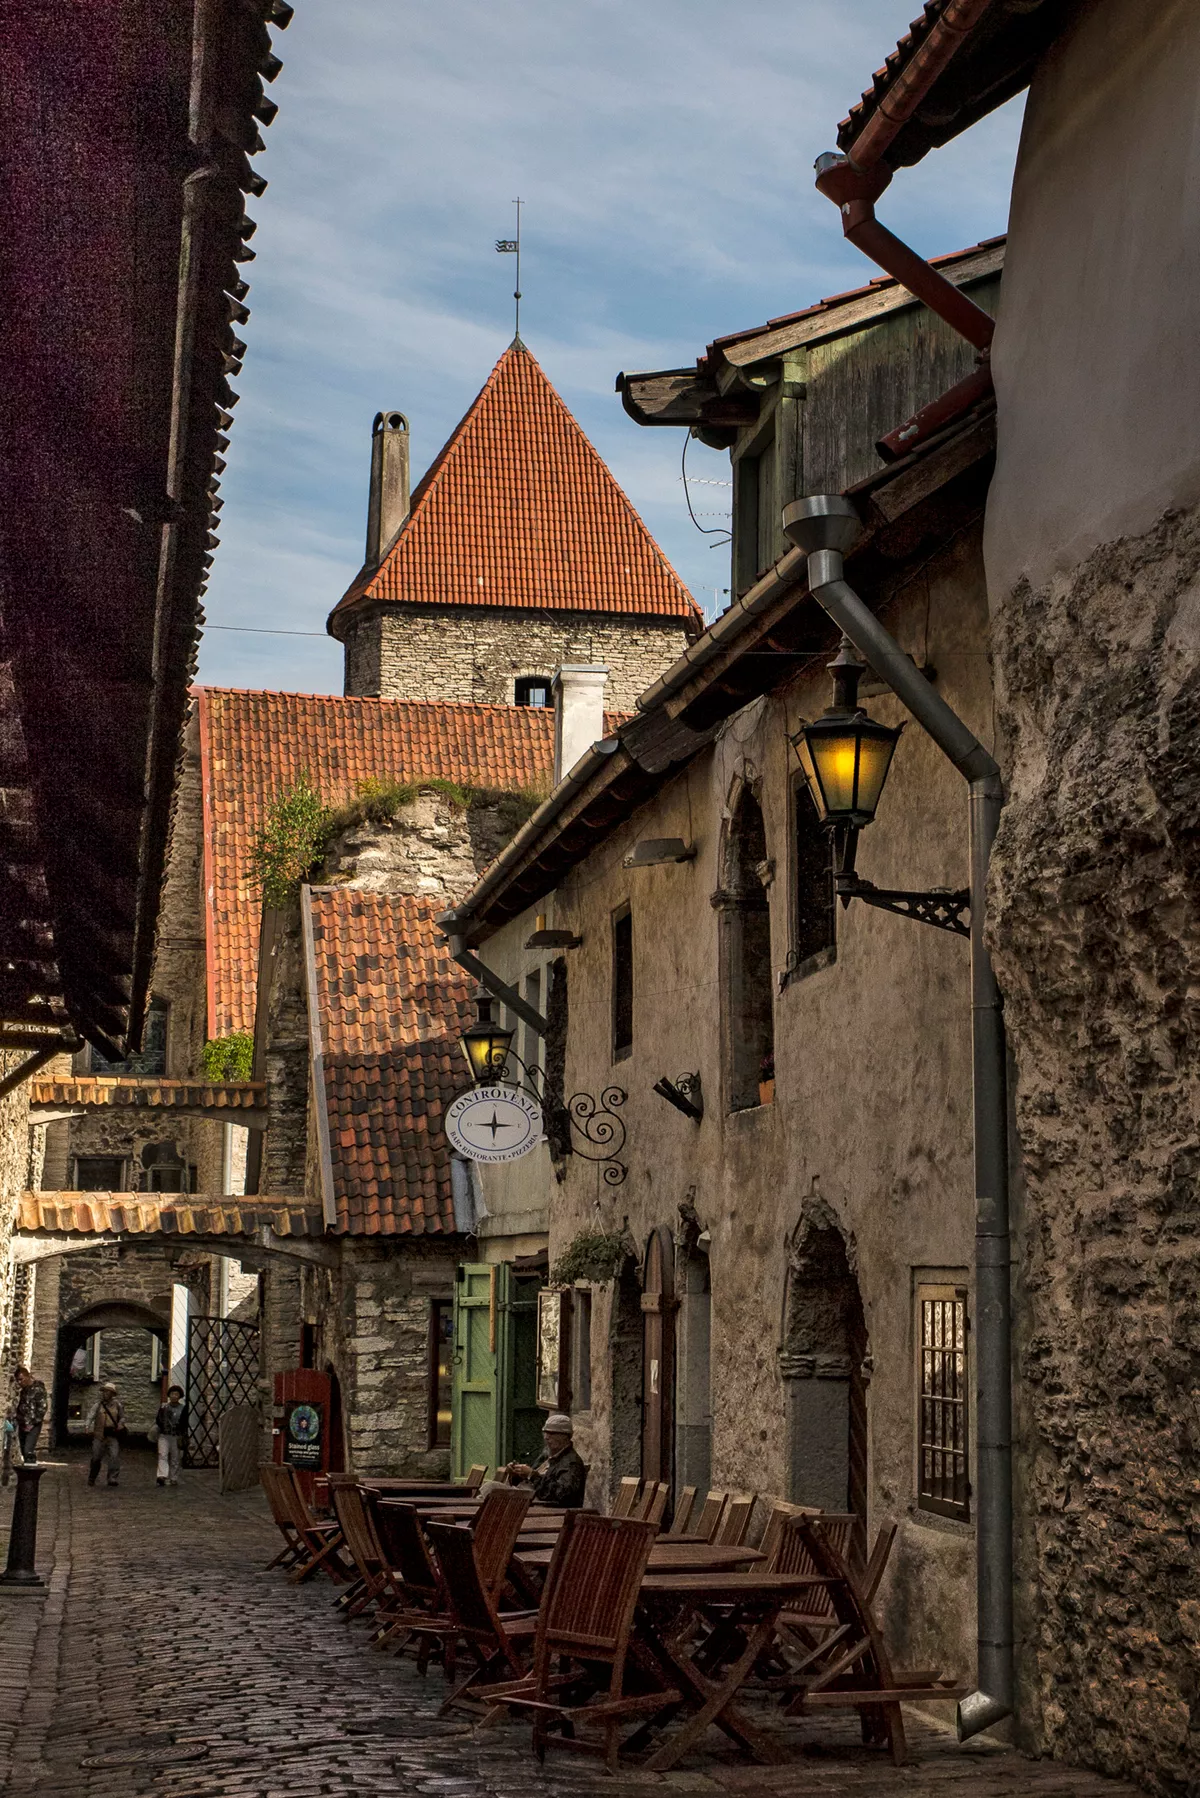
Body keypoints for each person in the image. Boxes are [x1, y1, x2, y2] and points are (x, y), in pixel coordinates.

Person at [503, 1413, 587, 1507]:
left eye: (551, 1433)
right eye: (545, 1433)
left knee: (491, 1489)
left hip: (541, 1505)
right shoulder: (546, 1455)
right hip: (526, 1496)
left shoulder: (571, 1463)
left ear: (565, 1436)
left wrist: (532, 1475)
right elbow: (531, 1481)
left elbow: (562, 1494)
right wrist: (516, 1474)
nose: (546, 1437)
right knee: (491, 1488)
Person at [87, 1381, 124, 1487]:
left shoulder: (117, 1405)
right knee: (96, 1457)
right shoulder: (98, 1405)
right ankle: (92, 1477)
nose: (105, 1394)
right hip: (99, 1434)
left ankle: (112, 1477)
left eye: (108, 1392)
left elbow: (122, 1416)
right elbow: (91, 1415)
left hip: (112, 1434)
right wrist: (87, 1426)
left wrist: (121, 1423)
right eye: (104, 1392)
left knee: (114, 1456)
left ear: (112, 1394)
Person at [12, 1367, 48, 1464]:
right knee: (24, 1450)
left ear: (27, 1377)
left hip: (33, 1425)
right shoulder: (24, 1390)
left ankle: (31, 1473)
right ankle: (27, 1472)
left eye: (21, 1379)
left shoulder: (38, 1389)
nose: (19, 1382)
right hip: (23, 1423)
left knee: (28, 1450)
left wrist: (32, 1424)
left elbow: (42, 1408)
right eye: (18, 1380)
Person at [154, 1385, 186, 1487]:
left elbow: (184, 1423)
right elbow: (158, 1420)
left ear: (179, 1396)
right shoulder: (164, 1407)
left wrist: (182, 1433)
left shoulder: (183, 1408)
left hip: (176, 1435)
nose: (174, 1396)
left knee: (175, 1457)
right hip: (164, 1434)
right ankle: (162, 1476)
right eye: (172, 1394)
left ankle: (173, 1477)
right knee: (162, 1455)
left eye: (176, 1394)